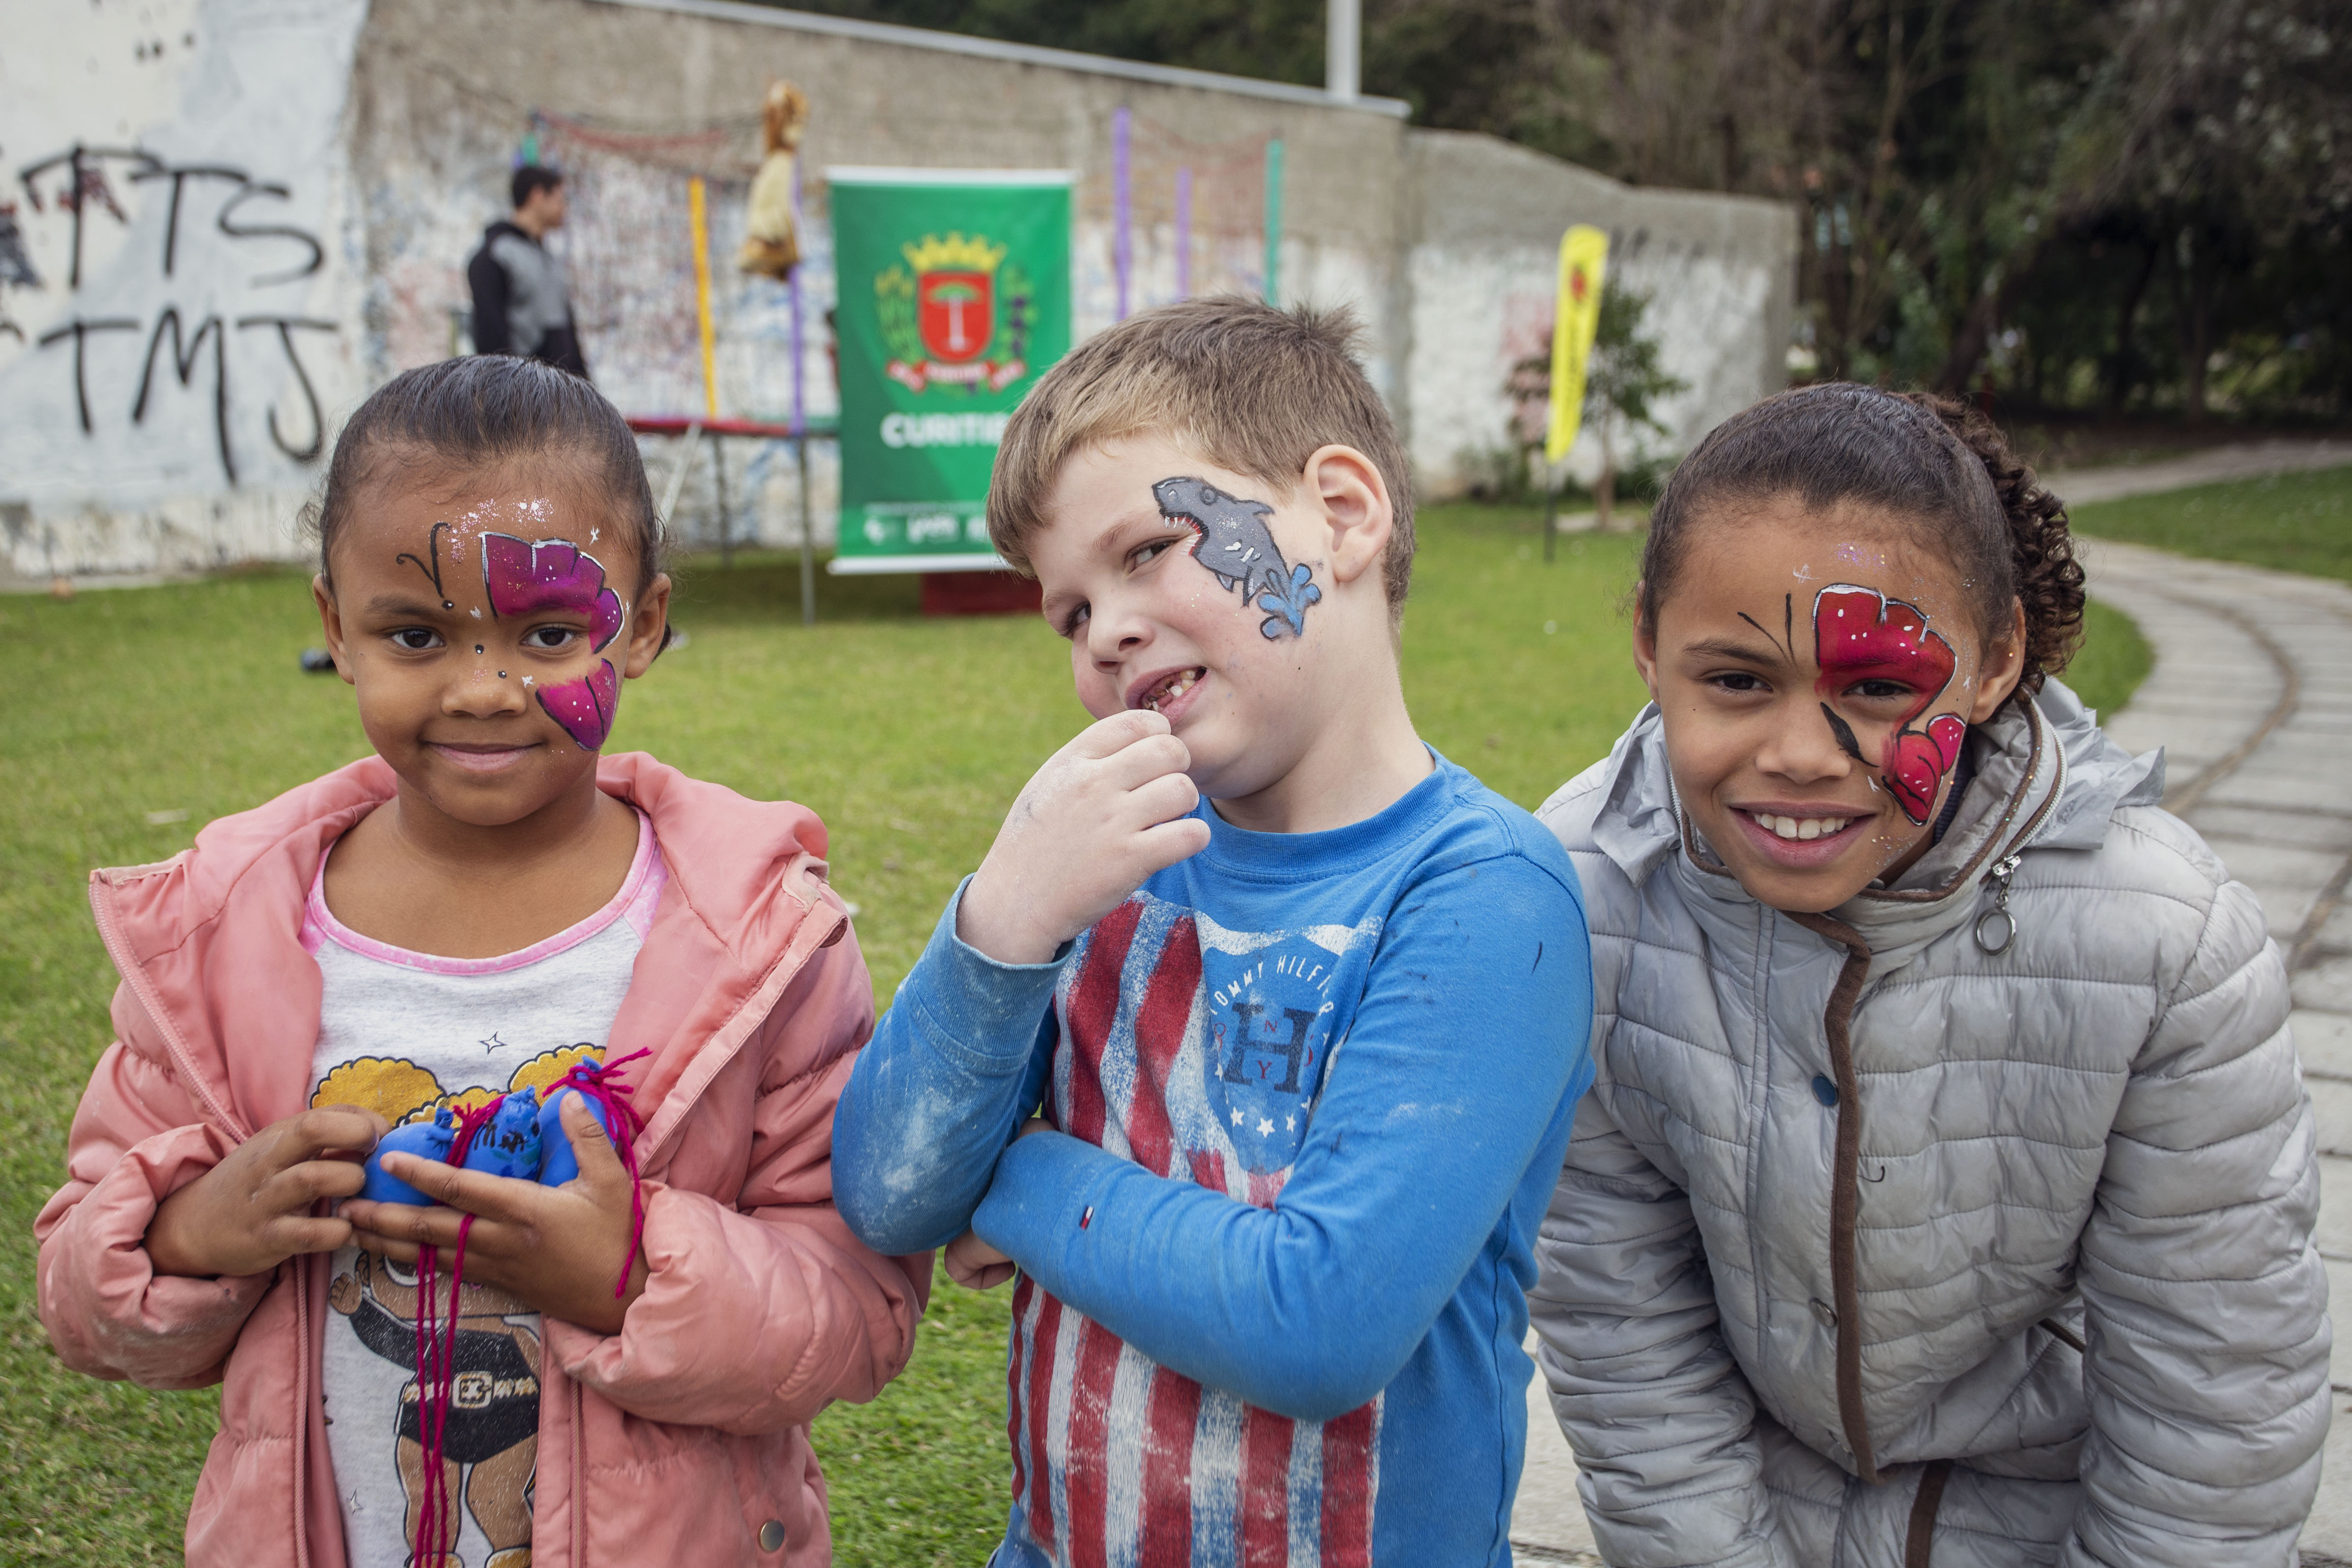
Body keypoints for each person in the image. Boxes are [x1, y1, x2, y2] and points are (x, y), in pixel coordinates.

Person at [33, 354, 926, 1568]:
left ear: (647, 625)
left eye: (549, 631)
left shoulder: (757, 941)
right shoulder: (224, 937)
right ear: (335, 633)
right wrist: (190, 1231)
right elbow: (81, 1294)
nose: (485, 689)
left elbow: (859, 1313)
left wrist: (625, 1276)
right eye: (415, 633)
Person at [833, 297, 1597, 1566]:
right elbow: (892, 1194)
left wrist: (1019, 1180)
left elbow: (1317, 1321)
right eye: (1070, 611)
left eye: (1146, 551)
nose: (1107, 633)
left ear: (1343, 515)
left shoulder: (1485, 895)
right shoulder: (1096, 867)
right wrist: (1003, 918)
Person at [1530, 384, 2329, 1566]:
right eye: (1738, 682)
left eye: (1876, 688)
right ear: (1648, 643)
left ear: (1996, 659)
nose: (1800, 756)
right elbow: (1623, 1338)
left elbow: (2212, 1391)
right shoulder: (1578, 907)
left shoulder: (2166, 942)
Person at [469, 164, 589, 378]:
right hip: (525, 395)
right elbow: (490, 336)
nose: (564, 209)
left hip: (562, 393)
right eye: (560, 200)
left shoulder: (547, 258)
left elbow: (567, 330)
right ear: (537, 196)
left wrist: (585, 386)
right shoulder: (494, 255)